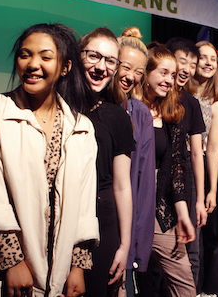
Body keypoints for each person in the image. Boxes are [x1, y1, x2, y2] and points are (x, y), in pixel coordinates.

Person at [0, 23, 99, 297]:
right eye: (25, 55)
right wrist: (13, 262)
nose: (33, 64)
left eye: (45, 57)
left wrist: (78, 267)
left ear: (65, 67)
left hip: (58, 275)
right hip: (1, 275)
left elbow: (84, 204)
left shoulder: (80, 127)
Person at [79, 27, 136, 297]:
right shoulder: (56, 107)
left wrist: (125, 246)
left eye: (110, 61)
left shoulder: (117, 117)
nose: (101, 67)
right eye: (93, 56)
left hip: (103, 223)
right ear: (77, 57)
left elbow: (122, 186)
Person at [139, 43, 196, 297]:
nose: (169, 80)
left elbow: (175, 168)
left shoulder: (169, 112)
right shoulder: (125, 108)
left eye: (172, 75)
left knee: (184, 286)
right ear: (146, 72)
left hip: (158, 204)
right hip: (125, 202)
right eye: (163, 73)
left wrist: (182, 213)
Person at [109, 34, 156, 297]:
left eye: (138, 72)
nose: (130, 76)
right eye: (125, 67)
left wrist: (137, 246)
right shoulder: (88, 105)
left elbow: (143, 184)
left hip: (122, 223)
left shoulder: (141, 114)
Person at [166, 37, 207, 290]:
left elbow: (196, 153)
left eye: (193, 64)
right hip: (159, 179)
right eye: (183, 61)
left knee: (191, 249)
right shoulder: (154, 96)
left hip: (184, 178)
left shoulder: (191, 103)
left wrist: (200, 199)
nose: (188, 69)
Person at [186, 41, 218, 297]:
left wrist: (212, 189)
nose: (209, 63)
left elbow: (213, 149)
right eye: (203, 57)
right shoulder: (178, 92)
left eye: (213, 58)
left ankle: (197, 290)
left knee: (200, 237)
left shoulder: (217, 102)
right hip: (176, 165)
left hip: (200, 170)